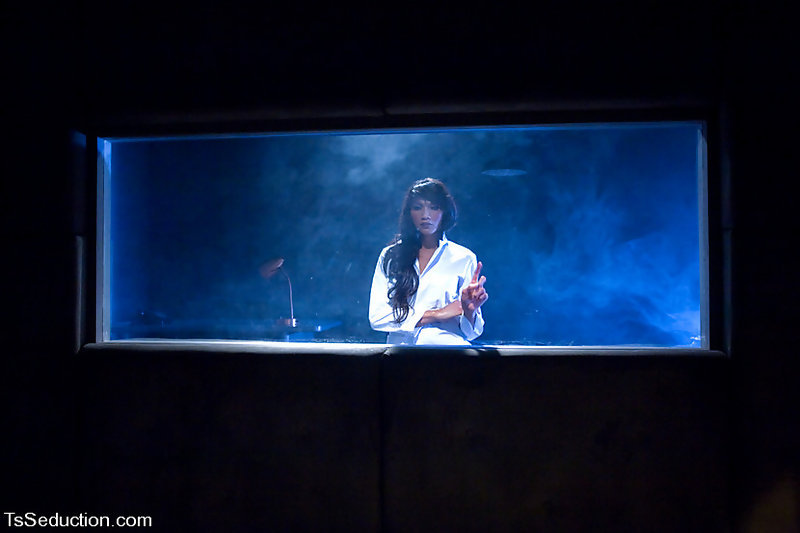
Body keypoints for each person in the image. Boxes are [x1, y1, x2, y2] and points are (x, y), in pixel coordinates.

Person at [369, 178, 488, 345]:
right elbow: (378, 318)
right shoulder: (391, 255)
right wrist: (437, 314)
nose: (425, 215)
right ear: (409, 213)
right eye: (418, 208)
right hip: (401, 353)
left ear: (444, 212)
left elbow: (472, 332)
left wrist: (469, 311)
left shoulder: (464, 258)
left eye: (434, 207)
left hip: (448, 352)